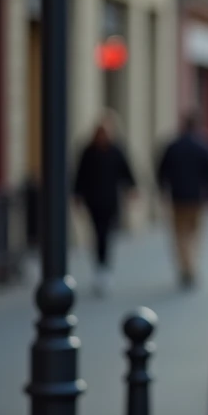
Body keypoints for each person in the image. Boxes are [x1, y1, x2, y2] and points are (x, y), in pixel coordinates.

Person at [73, 114, 137, 296]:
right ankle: (100, 267)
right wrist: (77, 195)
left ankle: (104, 267)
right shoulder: (88, 152)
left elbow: (126, 171)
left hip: (110, 201)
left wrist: (132, 189)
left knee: (107, 234)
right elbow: (80, 175)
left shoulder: (116, 150)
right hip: (93, 200)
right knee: (98, 233)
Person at [157, 112, 208, 288]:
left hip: (177, 197)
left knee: (180, 235)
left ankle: (186, 267)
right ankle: (191, 266)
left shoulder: (173, 146)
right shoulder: (204, 146)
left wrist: (163, 189)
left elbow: (161, 171)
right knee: (195, 235)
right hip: (197, 198)